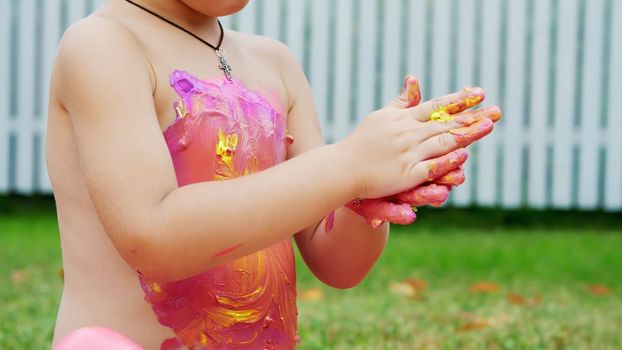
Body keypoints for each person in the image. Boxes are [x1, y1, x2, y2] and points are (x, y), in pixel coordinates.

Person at [45, 0, 501, 348]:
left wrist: (367, 196)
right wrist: (348, 165)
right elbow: (154, 238)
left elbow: (338, 264)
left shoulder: (273, 62)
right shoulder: (104, 45)